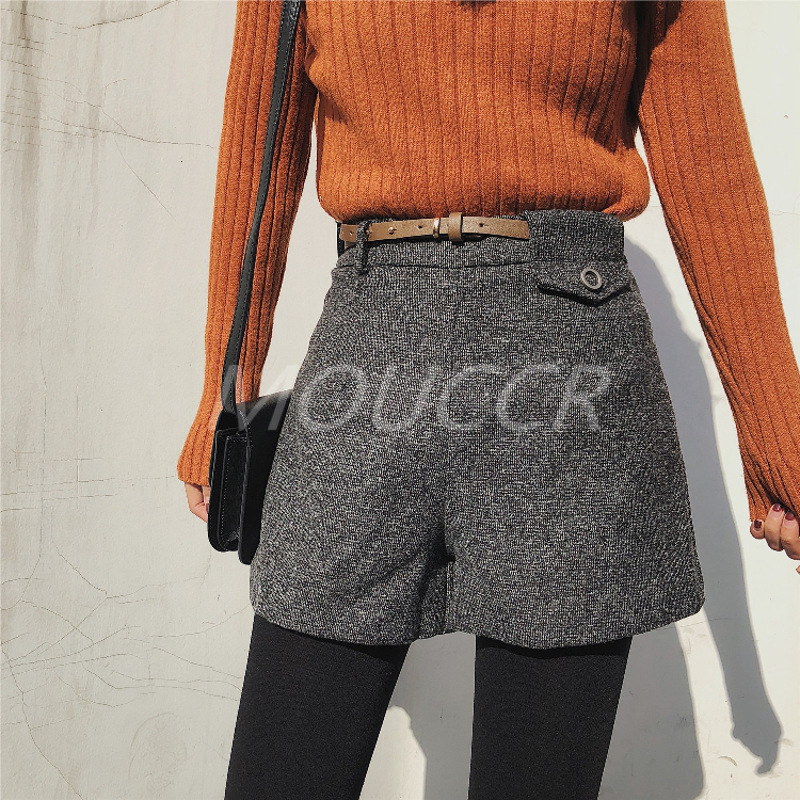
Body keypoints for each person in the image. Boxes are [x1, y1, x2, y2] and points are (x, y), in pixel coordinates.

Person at [178, 1, 800, 798]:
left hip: (570, 373)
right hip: (368, 359)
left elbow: (708, 168)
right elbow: (256, 151)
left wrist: (777, 442)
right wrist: (223, 389)